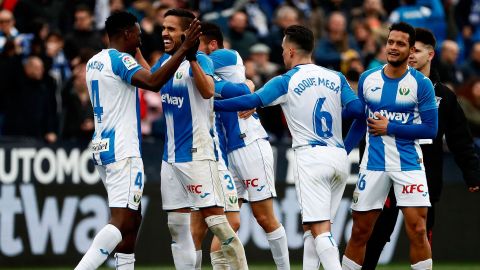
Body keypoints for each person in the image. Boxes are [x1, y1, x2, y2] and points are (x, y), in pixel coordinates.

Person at [214, 25, 364, 270]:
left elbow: (251, 100)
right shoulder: (336, 77)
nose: (282, 55)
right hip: (338, 157)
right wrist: (344, 149)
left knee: (319, 229)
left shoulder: (287, 80)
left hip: (310, 157)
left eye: (283, 50)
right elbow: (359, 112)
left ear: (292, 50)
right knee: (313, 229)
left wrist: (211, 105)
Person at [75, 11, 201, 270]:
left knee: (133, 218)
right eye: (138, 34)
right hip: (123, 150)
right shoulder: (120, 60)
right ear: (126, 34)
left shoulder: (94, 62)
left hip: (101, 147)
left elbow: (146, 76)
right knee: (121, 221)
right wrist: (185, 49)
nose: (141, 40)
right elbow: (153, 82)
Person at [361, 27, 480, 270]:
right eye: (409, 49)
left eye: (416, 50)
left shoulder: (443, 96)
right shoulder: (386, 84)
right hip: (385, 169)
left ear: (431, 55)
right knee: (376, 234)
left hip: (425, 176)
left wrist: (472, 172)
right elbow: (370, 127)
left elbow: (460, 138)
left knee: (421, 233)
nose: (411, 55)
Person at [150, 9, 248, 270]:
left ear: (186, 33)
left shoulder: (202, 60)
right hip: (169, 159)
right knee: (177, 229)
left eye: (171, 28)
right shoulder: (163, 63)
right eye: (163, 28)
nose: (164, 33)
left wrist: (191, 57)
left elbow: (208, 91)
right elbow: (149, 82)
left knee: (218, 224)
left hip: (198, 154)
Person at [192, 22, 290, 269]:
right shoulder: (207, 69)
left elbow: (210, 82)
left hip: (249, 144)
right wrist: (247, 85)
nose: (193, 48)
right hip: (226, 153)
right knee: (229, 223)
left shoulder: (226, 56)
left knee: (265, 218)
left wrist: (246, 87)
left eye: (197, 43)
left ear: (212, 44)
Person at [341, 22, 438, 270]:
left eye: (401, 44)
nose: (393, 48)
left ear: (411, 49)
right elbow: (361, 122)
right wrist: (342, 153)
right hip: (373, 164)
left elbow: (430, 129)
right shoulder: (367, 78)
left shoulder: (421, 84)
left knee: (417, 229)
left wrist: (390, 127)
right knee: (360, 231)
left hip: (408, 163)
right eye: (390, 42)